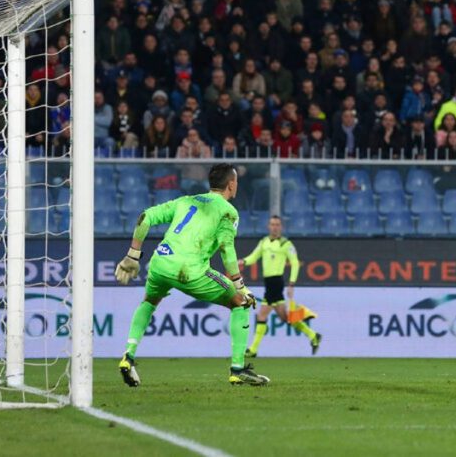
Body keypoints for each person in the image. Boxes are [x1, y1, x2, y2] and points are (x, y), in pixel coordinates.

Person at [113, 163, 269, 387]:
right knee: (241, 302)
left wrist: (133, 256)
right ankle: (238, 369)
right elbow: (227, 248)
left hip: (160, 263)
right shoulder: (228, 211)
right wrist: (241, 286)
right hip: (190, 271)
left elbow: (145, 216)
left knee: (149, 301)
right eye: (236, 182)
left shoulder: (185, 200)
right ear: (231, 184)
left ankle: (128, 356)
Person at [239, 215, 322, 358]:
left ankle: (253, 349)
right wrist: (242, 261)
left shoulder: (286, 244)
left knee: (262, 314)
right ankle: (313, 335)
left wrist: (291, 284)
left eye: (277, 224)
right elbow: (253, 257)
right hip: (269, 283)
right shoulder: (264, 242)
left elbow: (295, 263)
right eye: (272, 224)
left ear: (281, 227)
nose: (275, 227)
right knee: (285, 318)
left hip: (276, 283)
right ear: (268, 226)